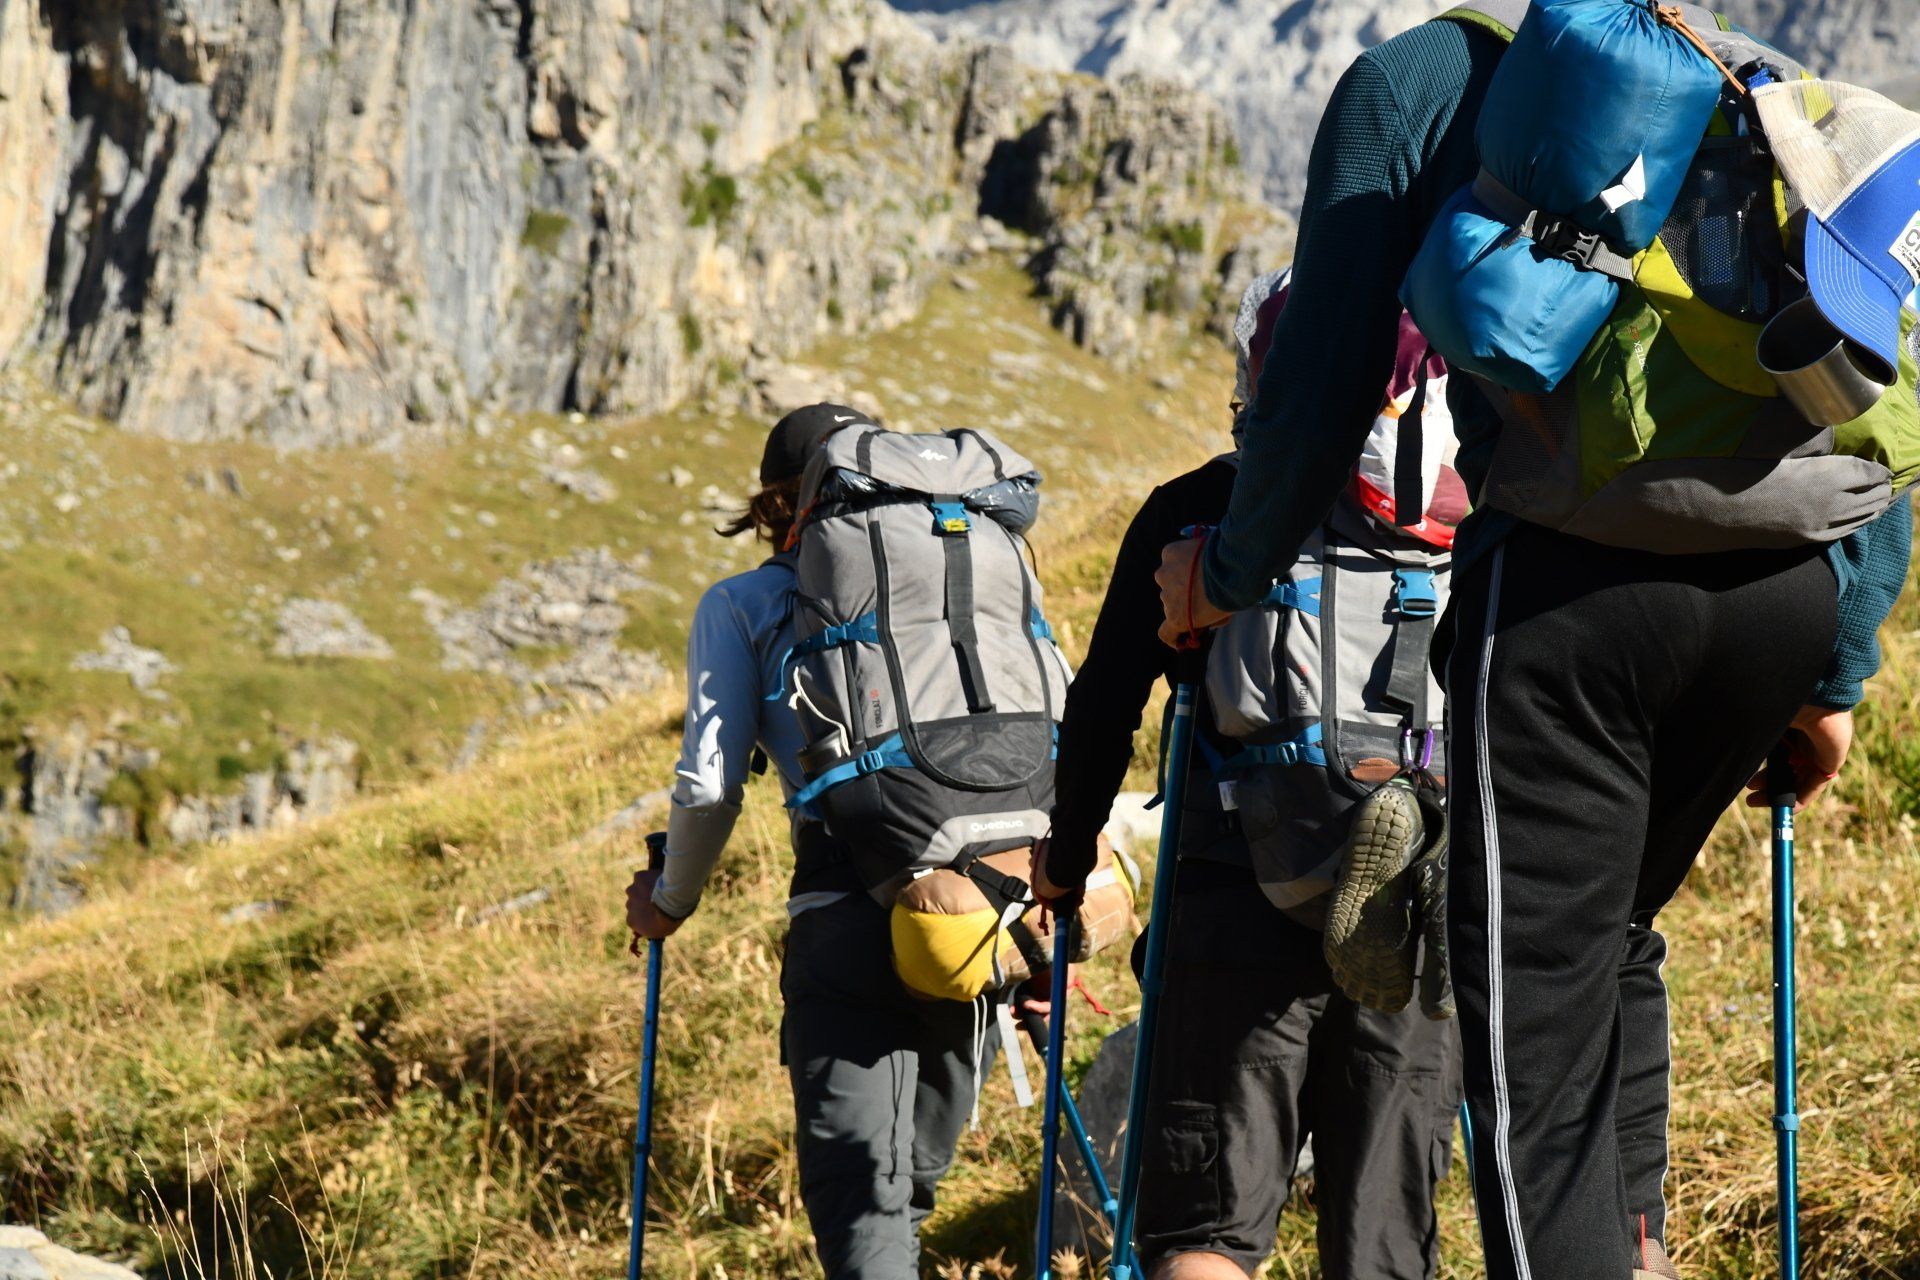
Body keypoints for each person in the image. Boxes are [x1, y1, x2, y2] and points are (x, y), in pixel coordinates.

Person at [1148, 13, 1915, 1280]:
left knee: (1533, 1064)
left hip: (1566, 607)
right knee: (1609, 947)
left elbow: (1321, 379)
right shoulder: (1742, 79)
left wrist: (1225, 573)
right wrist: (1833, 676)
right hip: (1785, 596)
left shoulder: (1419, 78)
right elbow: (1870, 409)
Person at [1033, 273, 1462, 1280]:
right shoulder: (1480, 515)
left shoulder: (1201, 511)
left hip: (1233, 887)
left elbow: (1102, 704)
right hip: (1417, 905)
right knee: (1384, 1250)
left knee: (1208, 1235)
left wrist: (1066, 856)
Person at [624, 403, 1002, 1279]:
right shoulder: (953, 574)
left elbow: (711, 783)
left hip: (847, 911)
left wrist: (668, 903)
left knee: (860, 1206)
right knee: (905, 1189)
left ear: (771, 506)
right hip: (975, 911)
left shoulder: (745, 603)